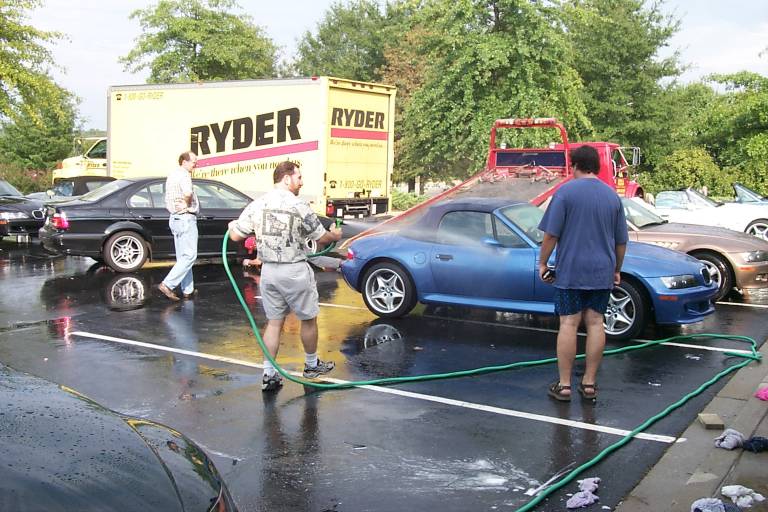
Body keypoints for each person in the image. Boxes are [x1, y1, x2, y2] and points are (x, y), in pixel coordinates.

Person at [228, 161, 342, 392]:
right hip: (294, 271)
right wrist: (336, 234)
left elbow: (236, 236)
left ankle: (269, 374)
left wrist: (232, 226)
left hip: (269, 272)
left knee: (274, 322)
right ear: (287, 178)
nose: (301, 182)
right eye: (299, 177)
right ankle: (311, 365)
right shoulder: (299, 205)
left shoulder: (257, 204)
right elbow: (321, 238)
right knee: (308, 319)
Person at [537, 145, 628, 402]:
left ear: (574, 165)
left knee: (569, 323)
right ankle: (589, 384)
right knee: (596, 323)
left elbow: (551, 235)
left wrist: (542, 263)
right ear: (596, 166)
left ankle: (565, 385)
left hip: (571, 270)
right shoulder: (612, 197)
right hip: (602, 271)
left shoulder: (565, 193)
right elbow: (621, 242)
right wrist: (616, 269)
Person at [158, 151, 200, 302]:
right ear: (184, 162)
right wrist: (187, 204)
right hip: (185, 218)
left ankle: (188, 289)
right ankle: (167, 284)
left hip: (175, 218)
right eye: (193, 162)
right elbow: (188, 192)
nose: (196, 165)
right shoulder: (184, 175)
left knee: (183, 257)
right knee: (189, 256)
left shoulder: (172, 175)